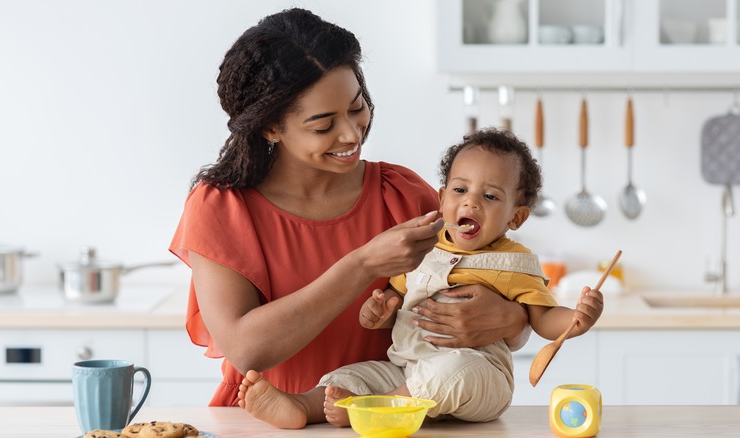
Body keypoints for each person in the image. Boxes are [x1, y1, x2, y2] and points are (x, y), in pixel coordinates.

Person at [168, 7, 530, 421]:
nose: (351, 134)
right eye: (323, 126)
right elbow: (247, 348)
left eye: (357, 107)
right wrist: (363, 263)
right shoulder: (223, 207)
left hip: (386, 423)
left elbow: (503, 302)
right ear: (270, 128)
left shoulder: (403, 194)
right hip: (265, 425)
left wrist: (510, 317)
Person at [237, 127, 604, 427]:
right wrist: (377, 312)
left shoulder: (514, 262)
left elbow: (541, 321)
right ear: (442, 199)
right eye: (460, 190)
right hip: (405, 368)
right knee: (352, 376)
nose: (471, 202)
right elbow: (392, 302)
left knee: (456, 370)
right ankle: (304, 406)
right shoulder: (422, 246)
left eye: (490, 196)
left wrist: (577, 318)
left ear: (516, 217)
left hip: (479, 376)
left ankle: (378, 409)